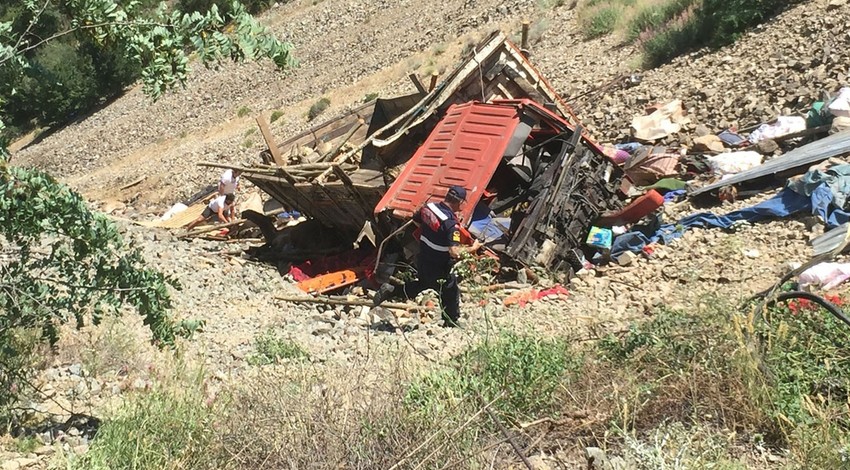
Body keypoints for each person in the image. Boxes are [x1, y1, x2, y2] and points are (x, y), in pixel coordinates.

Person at [374, 185, 482, 326]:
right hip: (438, 263)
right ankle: (451, 321)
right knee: (450, 289)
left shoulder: (430, 208)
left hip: (423, 256)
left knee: (423, 284)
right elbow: (454, 252)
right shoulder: (451, 224)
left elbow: (416, 220)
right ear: (459, 202)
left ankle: (391, 290)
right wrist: (473, 248)